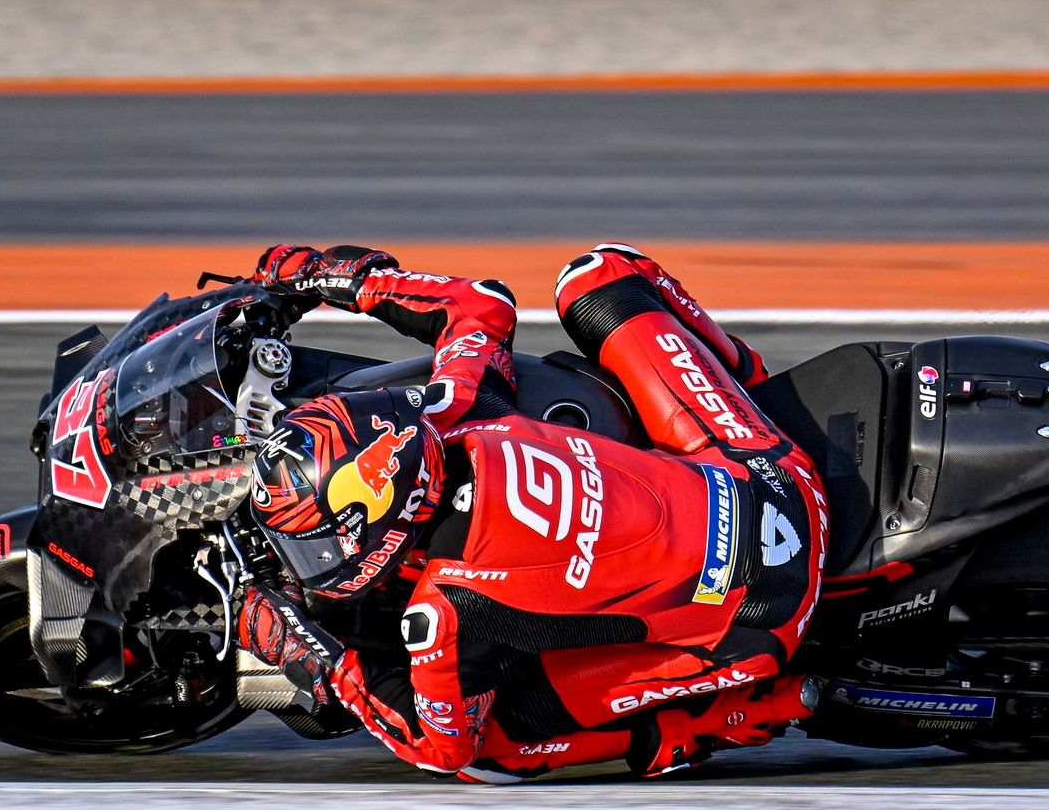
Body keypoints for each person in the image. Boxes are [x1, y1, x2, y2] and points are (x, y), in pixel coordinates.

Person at [235, 242, 828, 782]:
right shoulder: (462, 408)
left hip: (759, 621)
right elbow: (481, 304)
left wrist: (319, 662)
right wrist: (334, 279)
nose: (311, 559)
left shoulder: (444, 609)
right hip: (768, 469)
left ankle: (715, 721)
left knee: (488, 756)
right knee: (601, 273)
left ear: (384, 515)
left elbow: (442, 749)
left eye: (319, 541)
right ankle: (750, 386)